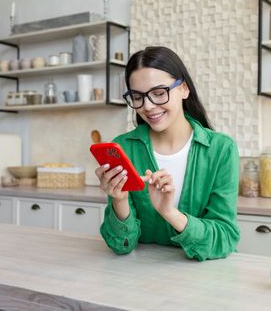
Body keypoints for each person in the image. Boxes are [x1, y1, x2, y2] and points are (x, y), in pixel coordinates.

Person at [96, 46, 240, 261]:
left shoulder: (221, 149)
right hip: (139, 278)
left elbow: (224, 238)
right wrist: (119, 200)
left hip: (204, 278)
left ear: (183, 89)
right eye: (137, 97)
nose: (148, 106)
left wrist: (169, 212)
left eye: (159, 93)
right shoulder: (123, 149)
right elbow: (121, 246)